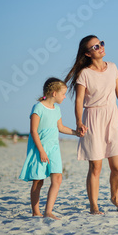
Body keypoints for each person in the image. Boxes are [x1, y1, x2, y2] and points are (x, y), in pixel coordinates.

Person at [65, 35, 118, 214]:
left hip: (111, 117)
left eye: (101, 44)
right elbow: (79, 100)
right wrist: (78, 122)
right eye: (95, 47)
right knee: (95, 167)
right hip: (92, 119)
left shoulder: (112, 67)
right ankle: (94, 206)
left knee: (117, 167)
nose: (100, 48)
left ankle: (114, 197)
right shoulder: (84, 74)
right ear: (88, 54)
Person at [19, 77, 82, 220]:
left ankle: (48, 211)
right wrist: (41, 151)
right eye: (63, 94)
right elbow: (34, 131)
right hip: (38, 148)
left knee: (57, 178)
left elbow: (60, 127)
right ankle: (36, 212)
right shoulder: (38, 108)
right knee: (38, 180)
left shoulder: (57, 109)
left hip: (54, 149)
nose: (65, 97)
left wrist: (75, 132)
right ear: (54, 93)